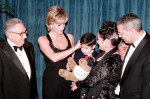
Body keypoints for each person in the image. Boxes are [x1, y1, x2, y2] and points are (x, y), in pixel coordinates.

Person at [71, 21, 122, 99]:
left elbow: (92, 81)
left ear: (107, 42)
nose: (97, 42)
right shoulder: (102, 53)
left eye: (98, 39)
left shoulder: (113, 60)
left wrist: (77, 84)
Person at [38, 6, 80, 99]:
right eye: (59, 25)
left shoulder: (69, 37)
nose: (63, 27)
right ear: (50, 24)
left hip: (68, 78)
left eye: (64, 24)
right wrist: (75, 48)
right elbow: (54, 57)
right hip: (52, 81)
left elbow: (72, 56)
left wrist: (71, 64)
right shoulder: (43, 39)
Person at [0, 18, 38, 99]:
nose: (25, 36)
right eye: (21, 33)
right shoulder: (1, 51)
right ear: (10, 35)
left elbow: (33, 74)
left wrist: (35, 94)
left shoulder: (29, 46)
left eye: (25, 32)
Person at [117, 13, 150, 99]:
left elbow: (148, 86)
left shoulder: (148, 48)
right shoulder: (131, 43)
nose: (119, 36)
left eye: (121, 33)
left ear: (132, 31)